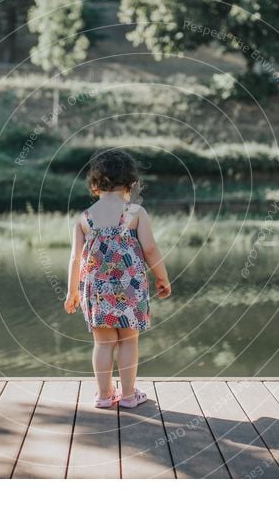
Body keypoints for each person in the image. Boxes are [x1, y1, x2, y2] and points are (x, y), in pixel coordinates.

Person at [64, 149, 171, 408]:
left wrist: (72, 292)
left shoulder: (84, 218)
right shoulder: (135, 212)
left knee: (102, 343)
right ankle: (128, 396)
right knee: (128, 341)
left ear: (94, 185)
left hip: (97, 290)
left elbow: (75, 259)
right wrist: (162, 278)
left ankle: (103, 396)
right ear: (131, 184)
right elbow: (150, 249)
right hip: (130, 288)